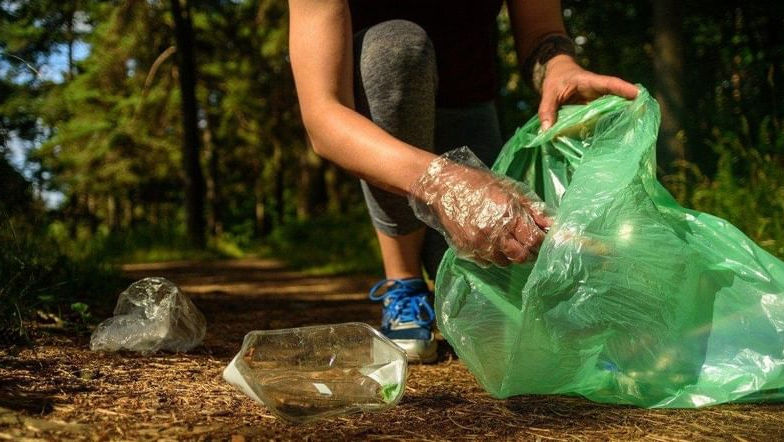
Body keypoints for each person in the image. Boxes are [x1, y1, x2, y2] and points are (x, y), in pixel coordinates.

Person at [287, 0, 638, 363]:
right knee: (396, 48)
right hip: (381, 119)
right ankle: (404, 282)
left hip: (469, 111)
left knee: (498, 310)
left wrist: (559, 67)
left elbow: (541, 33)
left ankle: (447, 279)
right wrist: (445, 184)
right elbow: (323, 116)